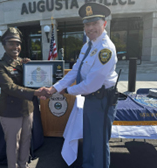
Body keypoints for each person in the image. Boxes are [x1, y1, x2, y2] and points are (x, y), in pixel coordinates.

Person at [46, 2, 118, 168]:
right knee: (89, 138)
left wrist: (67, 90)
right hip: (90, 100)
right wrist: (55, 88)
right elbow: (75, 70)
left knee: (99, 143)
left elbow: (91, 84)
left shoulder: (105, 49)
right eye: (87, 24)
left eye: (95, 23)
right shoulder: (87, 46)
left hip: (102, 101)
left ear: (104, 24)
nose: (90, 28)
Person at [0, 27, 50, 168]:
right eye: (11, 43)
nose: (15, 47)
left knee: (26, 140)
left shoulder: (23, 63)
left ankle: (23, 165)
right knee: (13, 144)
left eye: (17, 43)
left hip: (27, 108)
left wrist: (41, 86)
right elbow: (10, 87)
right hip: (10, 111)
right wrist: (36, 93)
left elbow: (32, 81)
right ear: (4, 45)